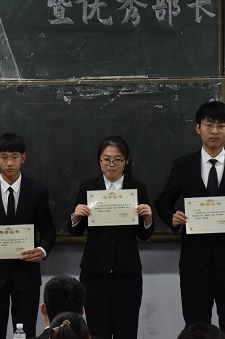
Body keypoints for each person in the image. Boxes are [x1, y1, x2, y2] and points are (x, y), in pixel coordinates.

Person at [155, 101, 225, 330]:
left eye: (221, 126)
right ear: (198, 128)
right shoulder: (183, 165)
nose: (214, 131)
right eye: (209, 125)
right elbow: (163, 201)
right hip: (194, 263)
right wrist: (172, 218)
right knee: (196, 325)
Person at [0, 133, 57, 339]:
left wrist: (42, 250)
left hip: (27, 274)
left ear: (23, 158)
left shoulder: (37, 190)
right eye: (4, 157)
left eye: (14, 157)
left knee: (26, 333)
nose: (9, 163)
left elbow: (49, 230)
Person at [68, 136, 154, 339]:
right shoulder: (88, 187)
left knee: (127, 331)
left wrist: (148, 219)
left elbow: (144, 234)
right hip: (94, 273)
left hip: (127, 273)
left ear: (126, 160)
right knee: (97, 331)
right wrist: (75, 217)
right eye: (106, 159)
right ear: (99, 160)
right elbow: (76, 231)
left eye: (117, 159)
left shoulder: (137, 188)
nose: (111, 164)